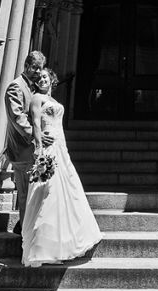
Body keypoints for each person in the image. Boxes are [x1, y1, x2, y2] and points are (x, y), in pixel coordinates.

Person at [21, 64, 101, 265]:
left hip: (60, 146)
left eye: (45, 77)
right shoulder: (38, 99)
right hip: (49, 146)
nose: (42, 80)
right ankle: (46, 247)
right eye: (39, 78)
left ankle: (64, 241)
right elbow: (36, 123)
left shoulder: (52, 100)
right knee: (51, 192)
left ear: (52, 79)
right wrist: (39, 148)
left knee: (67, 190)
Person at [4, 51, 53, 236]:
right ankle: (25, 239)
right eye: (34, 67)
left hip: (33, 151)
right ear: (26, 66)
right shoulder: (16, 87)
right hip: (23, 151)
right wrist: (35, 136)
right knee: (25, 197)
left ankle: (27, 230)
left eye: (40, 68)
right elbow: (18, 118)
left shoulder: (33, 88)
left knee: (33, 196)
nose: (38, 72)